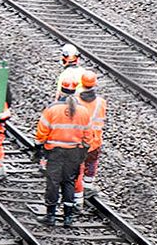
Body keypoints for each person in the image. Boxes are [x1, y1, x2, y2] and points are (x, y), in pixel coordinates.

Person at [33, 77, 93, 226]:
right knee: (69, 182)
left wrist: (38, 147)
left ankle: (51, 216)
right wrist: (83, 150)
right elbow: (88, 136)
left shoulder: (52, 109)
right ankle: (68, 217)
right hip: (74, 152)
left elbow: (42, 132)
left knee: (53, 182)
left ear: (61, 91)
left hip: (55, 152)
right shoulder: (84, 111)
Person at [74, 70, 106, 203]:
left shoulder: (75, 99)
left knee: (77, 165)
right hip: (94, 139)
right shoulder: (101, 102)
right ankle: (88, 186)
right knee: (91, 162)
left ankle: (77, 192)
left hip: (78, 139)